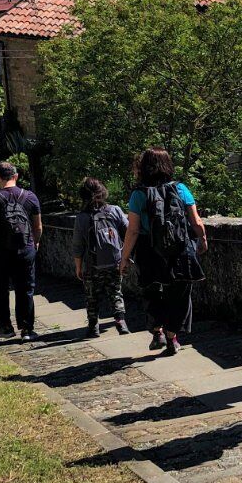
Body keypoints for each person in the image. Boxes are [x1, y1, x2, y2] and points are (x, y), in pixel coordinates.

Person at [119, 147, 206, 356]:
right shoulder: (181, 189)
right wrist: (202, 240)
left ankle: (156, 331)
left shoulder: (139, 194)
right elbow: (196, 222)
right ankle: (172, 336)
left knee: (151, 291)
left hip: (149, 250)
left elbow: (133, 230)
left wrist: (124, 257)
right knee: (180, 295)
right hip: (180, 250)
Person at [0, 160, 42, 342]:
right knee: (26, 289)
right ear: (16, 176)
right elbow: (38, 227)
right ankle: (27, 330)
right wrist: (34, 244)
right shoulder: (30, 197)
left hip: (0, 251)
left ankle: (5, 328)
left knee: (0, 289)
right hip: (26, 249)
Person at [72, 176, 130, 338]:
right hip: (114, 262)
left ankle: (93, 326)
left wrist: (78, 267)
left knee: (92, 296)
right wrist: (125, 257)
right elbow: (128, 233)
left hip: (92, 265)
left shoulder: (82, 218)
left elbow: (78, 245)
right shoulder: (115, 210)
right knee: (116, 292)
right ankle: (120, 320)